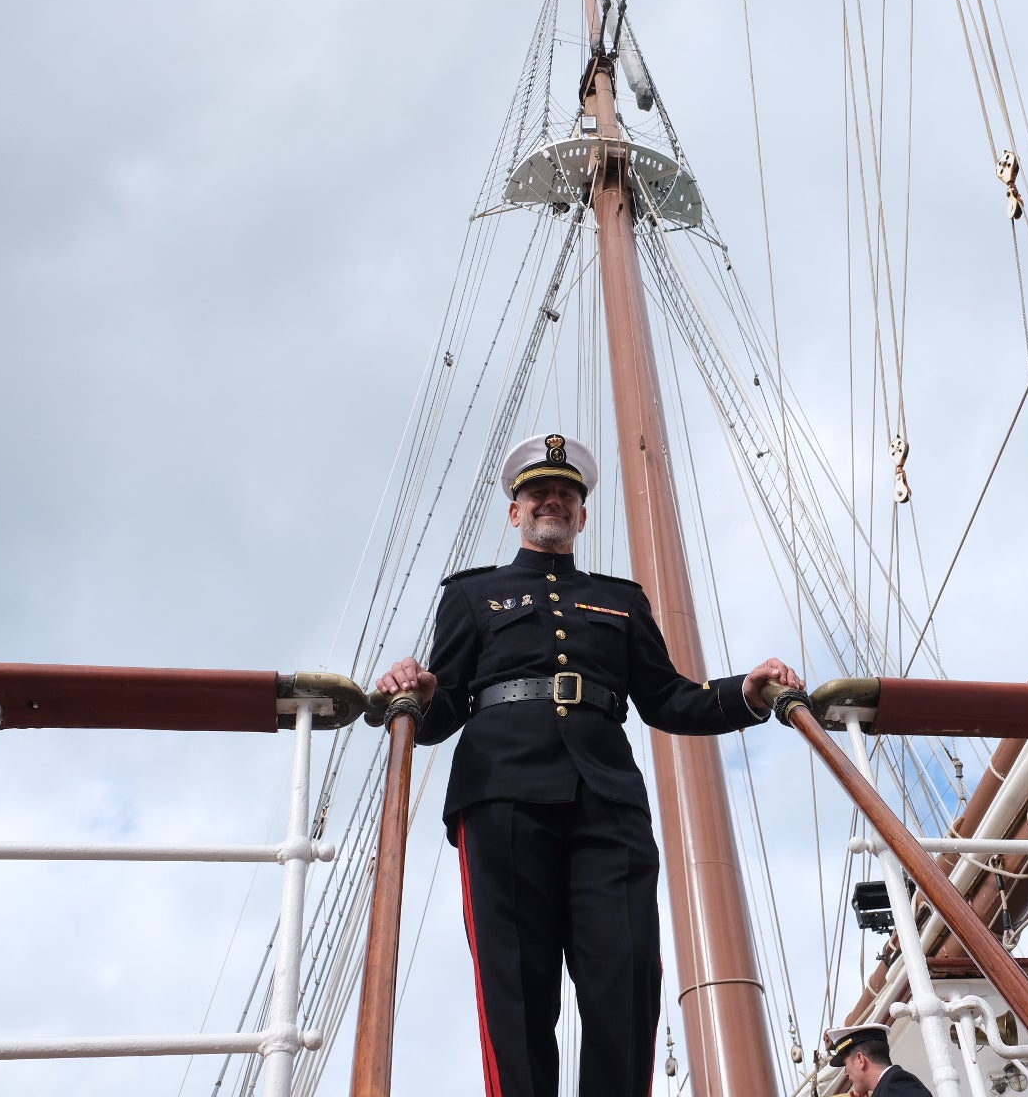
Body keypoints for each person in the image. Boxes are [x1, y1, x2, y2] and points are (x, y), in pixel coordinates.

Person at [378, 432, 803, 1097]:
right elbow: (440, 716)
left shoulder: (622, 601)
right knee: (516, 987)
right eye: (538, 493)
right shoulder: (471, 597)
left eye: (566, 494)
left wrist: (744, 693)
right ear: (515, 512)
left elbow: (667, 698)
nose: (553, 500)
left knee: (627, 974)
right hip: (501, 793)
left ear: (581, 515)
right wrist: (418, 693)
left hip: (607, 801)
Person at [826, 1024, 933, 1097]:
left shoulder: (894, 1085)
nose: (846, 1074)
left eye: (846, 1065)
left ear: (860, 1060)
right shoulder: (892, 1086)